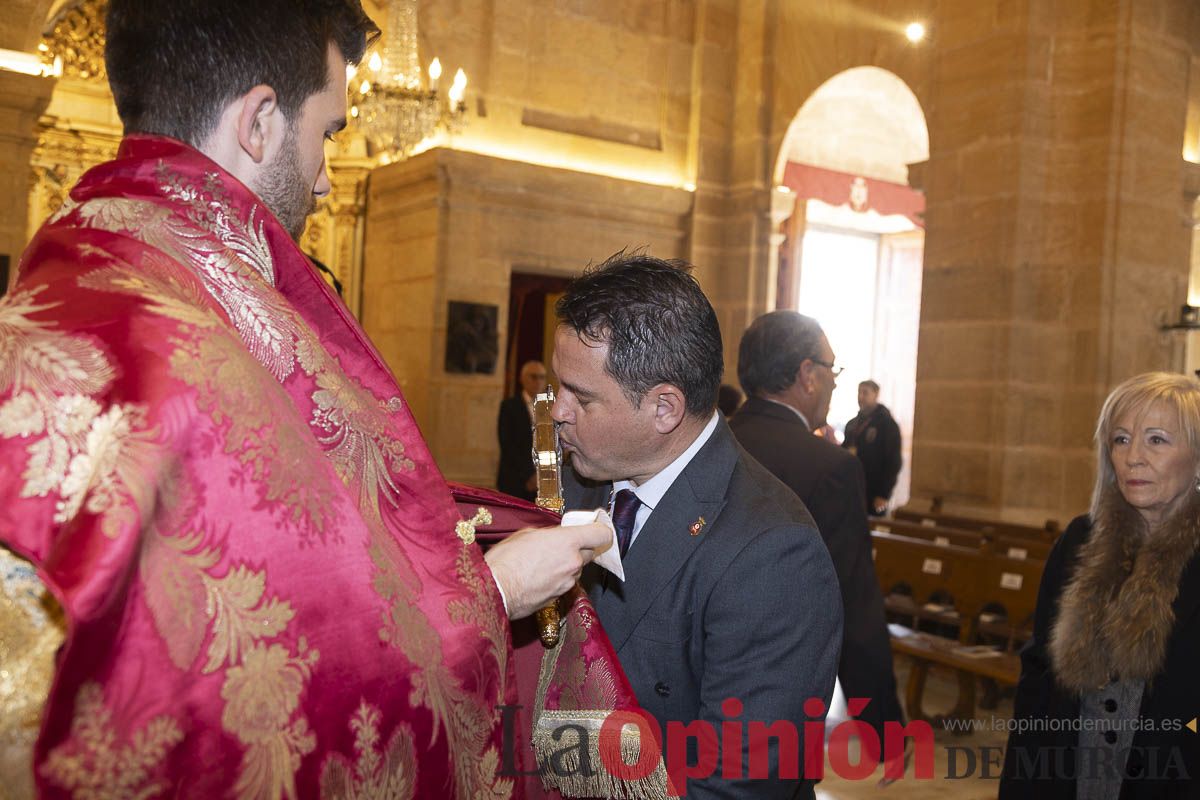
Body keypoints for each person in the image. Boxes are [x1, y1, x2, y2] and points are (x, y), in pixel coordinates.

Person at [0, 1, 607, 796]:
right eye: (327, 133)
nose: (326, 178)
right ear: (258, 122)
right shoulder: (181, 357)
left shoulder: (86, 266)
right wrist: (495, 593)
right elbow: (245, 689)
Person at [552, 253, 842, 798]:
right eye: (559, 387)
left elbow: (740, 785)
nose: (558, 411)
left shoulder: (774, 552)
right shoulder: (581, 477)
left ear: (664, 408)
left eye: (581, 397)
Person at [1001, 372, 1200, 799]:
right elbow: (1038, 676)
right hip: (1069, 777)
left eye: (1157, 440)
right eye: (1121, 439)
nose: (1133, 458)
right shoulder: (1080, 539)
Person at [730, 311, 904, 755]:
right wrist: (882, 726)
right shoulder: (831, 468)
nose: (835, 382)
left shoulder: (710, 444)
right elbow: (853, 601)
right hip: (776, 700)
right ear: (807, 374)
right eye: (832, 369)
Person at [843, 380, 902, 516]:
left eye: (865, 393)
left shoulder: (887, 424)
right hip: (852, 490)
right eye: (859, 392)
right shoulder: (852, 424)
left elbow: (893, 461)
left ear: (876, 394)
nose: (861, 397)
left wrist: (883, 494)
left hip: (874, 492)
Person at [496, 360, 547, 499]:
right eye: (534, 376)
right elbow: (507, 444)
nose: (538, 381)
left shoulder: (549, 408)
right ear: (522, 379)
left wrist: (542, 474)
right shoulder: (509, 406)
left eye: (542, 377)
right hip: (515, 480)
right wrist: (529, 475)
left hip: (543, 482)